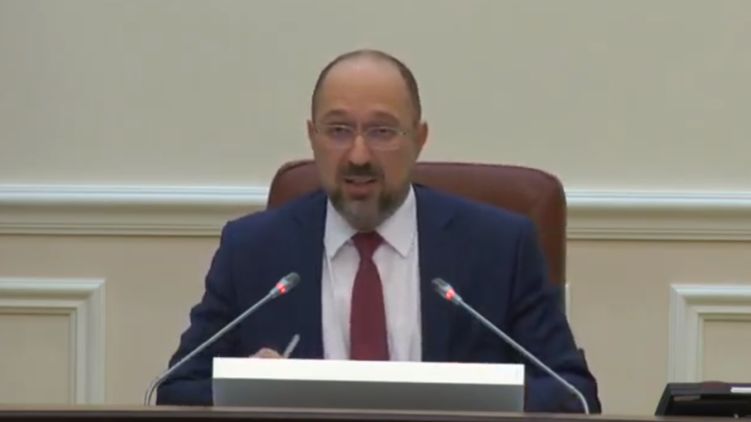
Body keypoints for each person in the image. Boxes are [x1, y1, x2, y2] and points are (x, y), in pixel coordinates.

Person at [157, 49, 601, 413]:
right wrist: (250, 387)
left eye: (382, 131)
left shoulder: (500, 247)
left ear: (419, 139)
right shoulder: (252, 250)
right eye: (338, 130)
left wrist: (479, 397)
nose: (358, 155)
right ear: (312, 137)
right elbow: (176, 388)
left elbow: (575, 394)